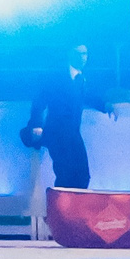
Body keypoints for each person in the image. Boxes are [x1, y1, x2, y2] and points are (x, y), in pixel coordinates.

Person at [28, 44, 103, 193]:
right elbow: (40, 100)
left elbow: (87, 96)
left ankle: (72, 205)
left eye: (85, 54)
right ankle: (63, 206)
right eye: (79, 54)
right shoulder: (56, 77)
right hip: (57, 133)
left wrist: (105, 105)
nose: (83, 58)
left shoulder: (80, 78)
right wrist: (37, 124)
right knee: (65, 175)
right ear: (70, 54)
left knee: (81, 176)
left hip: (73, 133)